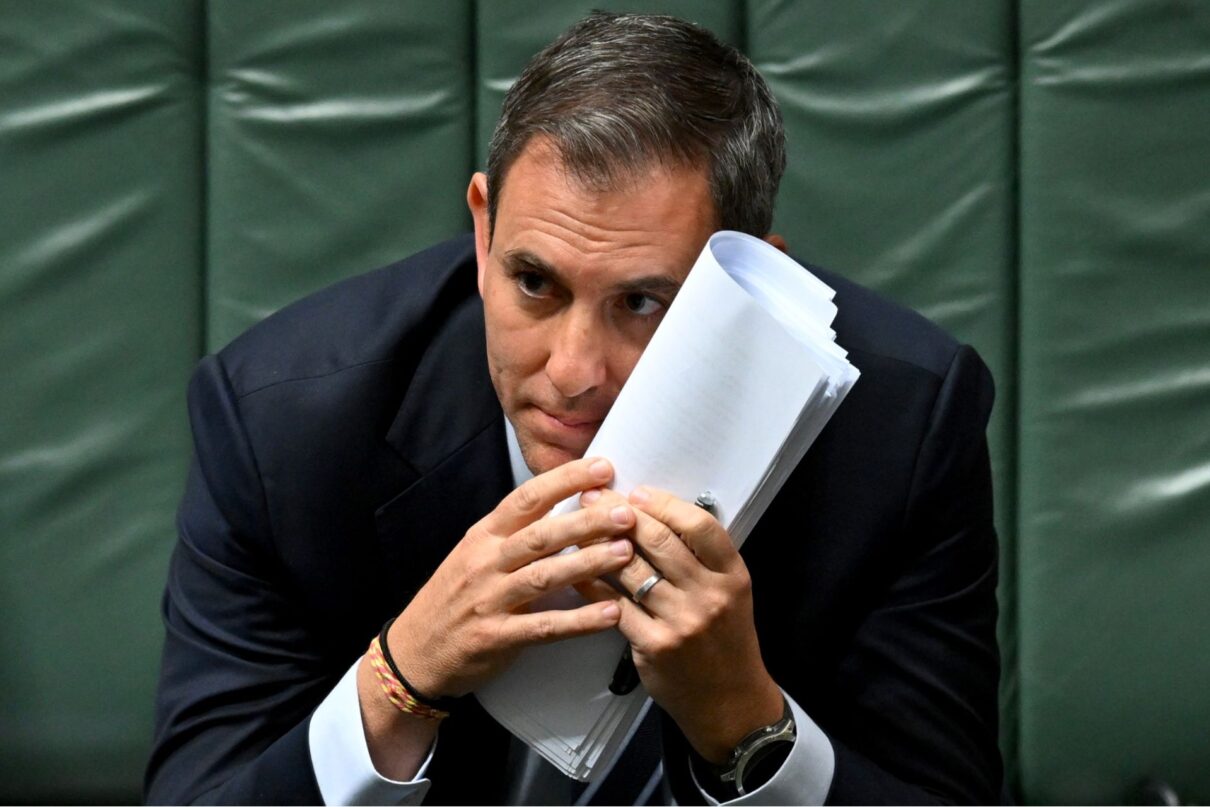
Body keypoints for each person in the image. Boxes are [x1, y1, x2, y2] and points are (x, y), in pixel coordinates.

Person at [145, 11, 1002, 805]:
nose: (572, 371)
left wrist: (745, 720)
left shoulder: (902, 429)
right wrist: (400, 677)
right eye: (533, 282)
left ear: (750, 286)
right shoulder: (282, 424)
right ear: (483, 231)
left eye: (643, 303)